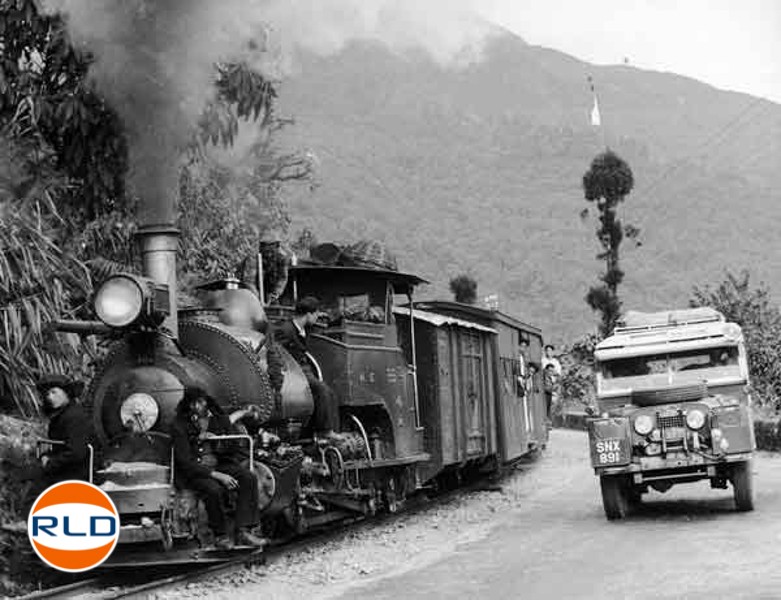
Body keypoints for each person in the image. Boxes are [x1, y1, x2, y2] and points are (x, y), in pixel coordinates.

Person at [171, 388, 265, 549]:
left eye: (202, 401)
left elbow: (229, 440)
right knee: (213, 490)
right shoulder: (179, 425)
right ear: (188, 405)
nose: (200, 405)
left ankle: (244, 531)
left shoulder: (215, 420)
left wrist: (217, 440)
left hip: (218, 465)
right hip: (195, 472)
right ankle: (220, 536)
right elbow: (185, 462)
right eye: (196, 402)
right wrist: (217, 475)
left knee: (248, 477)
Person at [274, 296, 340, 437]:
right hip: (293, 371)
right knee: (322, 390)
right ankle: (325, 431)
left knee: (330, 393)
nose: (317, 317)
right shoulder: (285, 330)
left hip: (303, 370)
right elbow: (276, 352)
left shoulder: (302, 328)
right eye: (316, 314)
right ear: (309, 314)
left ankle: (326, 431)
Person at [37, 374, 91, 482]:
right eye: (47, 394)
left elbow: (76, 453)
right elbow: (59, 446)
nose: (50, 397)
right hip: (64, 471)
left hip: (76, 475)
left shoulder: (75, 416)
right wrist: (45, 455)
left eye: (54, 392)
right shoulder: (61, 416)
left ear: (67, 392)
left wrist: (50, 463)